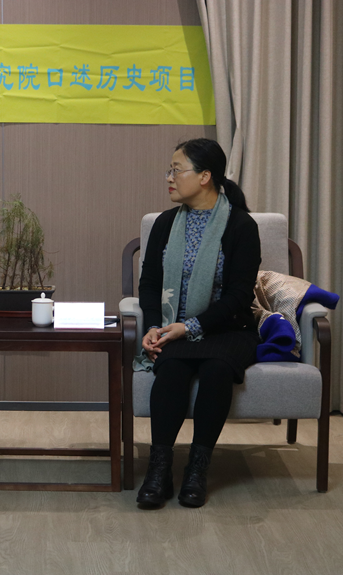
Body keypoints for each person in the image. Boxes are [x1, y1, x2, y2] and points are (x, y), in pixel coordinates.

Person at [135, 138, 261, 509]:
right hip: (174, 327)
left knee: (217, 370)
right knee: (171, 369)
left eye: (177, 170)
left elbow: (239, 296)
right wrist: (154, 327)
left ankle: (197, 469)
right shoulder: (165, 224)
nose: (169, 177)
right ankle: (159, 469)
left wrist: (189, 327)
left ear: (205, 176)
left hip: (228, 329)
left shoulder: (241, 226)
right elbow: (149, 285)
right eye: (169, 170)